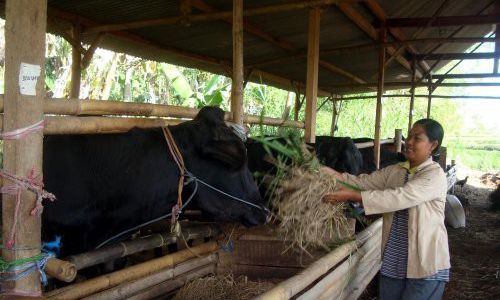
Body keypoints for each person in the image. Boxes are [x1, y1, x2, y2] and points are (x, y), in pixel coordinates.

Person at [322, 119, 450, 300]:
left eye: (417, 138)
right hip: (394, 260)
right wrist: (333, 174)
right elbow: (363, 182)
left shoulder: (434, 175)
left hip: (425, 264)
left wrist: (353, 196)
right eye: (410, 136)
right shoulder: (396, 171)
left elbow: (399, 197)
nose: (410, 142)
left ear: (433, 145)